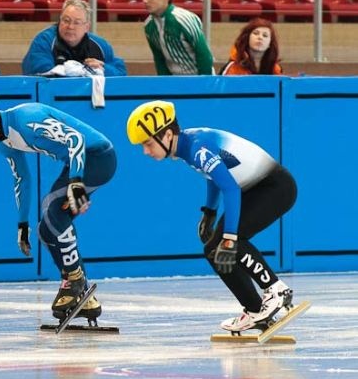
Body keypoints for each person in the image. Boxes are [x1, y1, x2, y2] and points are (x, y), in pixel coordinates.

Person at [126, 100, 297, 332]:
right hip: (258, 188)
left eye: (147, 144)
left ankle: (276, 290)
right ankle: (256, 310)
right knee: (213, 250)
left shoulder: (197, 147)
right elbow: (214, 178)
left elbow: (230, 188)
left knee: (234, 240)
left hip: (274, 187)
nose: (146, 152)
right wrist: (210, 211)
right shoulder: (186, 145)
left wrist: (229, 236)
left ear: (167, 135)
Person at [0, 88, 115, 322]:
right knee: (46, 230)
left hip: (98, 157)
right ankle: (84, 295)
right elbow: (22, 179)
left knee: (52, 209)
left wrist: (76, 182)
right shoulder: (3, 142)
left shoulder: (27, 119)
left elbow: (75, 138)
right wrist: (22, 223)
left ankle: (75, 280)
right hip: (77, 164)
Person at [21, 0, 127, 77]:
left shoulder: (100, 45)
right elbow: (37, 71)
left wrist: (103, 69)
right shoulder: (44, 41)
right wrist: (75, 70)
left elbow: (122, 74)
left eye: (77, 22)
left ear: (86, 27)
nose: (70, 26)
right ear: (60, 20)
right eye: (66, 20)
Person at [142, 0, 214, 76]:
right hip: (174, 83)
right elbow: (159, 60)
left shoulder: (184, 19)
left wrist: (204, 85)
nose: (145, 0)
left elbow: (204, 55)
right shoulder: (148, 25)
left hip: (197, 79)